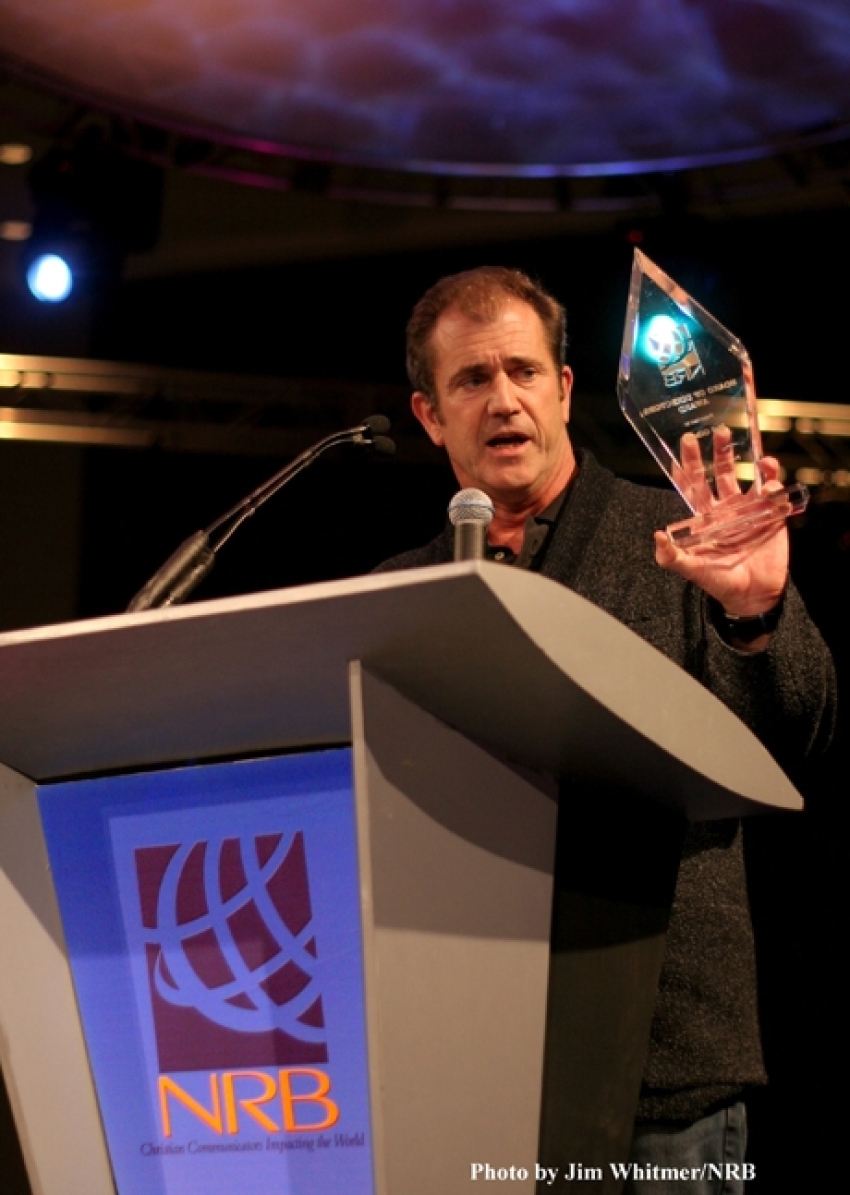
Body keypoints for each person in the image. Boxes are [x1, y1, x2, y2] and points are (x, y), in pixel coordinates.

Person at [374, 266, 836, 1194]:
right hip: (461, 1062)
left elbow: (800, 729)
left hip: (660, 1074)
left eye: (523, 371)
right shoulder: (398, 591)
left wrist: (757, 615)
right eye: (472, 380)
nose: (503, 399)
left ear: (565, 388)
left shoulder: (683, 534)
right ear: (429, 415)